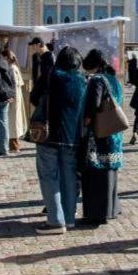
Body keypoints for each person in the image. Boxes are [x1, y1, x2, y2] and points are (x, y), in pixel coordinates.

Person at [34, 46, 86, 235]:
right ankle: (69, 218)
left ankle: (55, 221)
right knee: (69, 177)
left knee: (49, 177)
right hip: (72, 137)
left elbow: (34, 98)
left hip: (49, 136)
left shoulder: (51, 75)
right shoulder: (82, 80)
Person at [79, 49, 124, 226]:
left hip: (99, 134)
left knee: (96, 174)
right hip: (114, 132)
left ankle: (97, 214)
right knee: (110, 173)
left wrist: (85, 122)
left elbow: (93, 105)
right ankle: (112, 209)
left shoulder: (97, 80)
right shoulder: (113, 78)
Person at [3, 48, 25, 152]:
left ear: (6, 58)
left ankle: (14, 145)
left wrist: (12, 97)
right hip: (15, 97)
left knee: (13, 122)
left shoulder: (12, 68)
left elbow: (15, 84)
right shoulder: (13, 67)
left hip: (14, 98)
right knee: (14, 121)